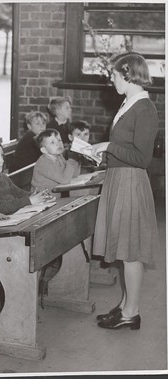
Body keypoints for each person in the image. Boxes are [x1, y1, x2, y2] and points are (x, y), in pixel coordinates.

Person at [87, 52, 160, 330]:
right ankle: (126, 305)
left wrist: (108, 146)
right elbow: (125, 148)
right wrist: (103, 155)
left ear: (128, 75)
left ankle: (132, 312)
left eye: (115, 76)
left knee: (130, 252)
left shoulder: (144, 108)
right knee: (125, 248)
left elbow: (142, 158)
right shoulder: (128, 102)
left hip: (131, 182)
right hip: (120, 178)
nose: (112, 80)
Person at [0, 138, 51, 216]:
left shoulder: (2, 176)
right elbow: (0, 207)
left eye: (2, 156)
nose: (2, 160)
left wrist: (35, 195)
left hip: (14, 215)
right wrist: (30, 200)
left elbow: (17, 192)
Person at [30, 128, 80, 195]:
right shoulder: (44, 163)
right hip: (43, 200)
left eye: (59, 140)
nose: (58, 144)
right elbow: (65, 180)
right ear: (44, 150)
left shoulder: (59, 156)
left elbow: (74, 175)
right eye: (52, 142)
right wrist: (71, 159)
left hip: (54, 196)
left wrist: (77, 159)